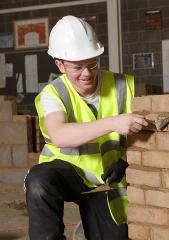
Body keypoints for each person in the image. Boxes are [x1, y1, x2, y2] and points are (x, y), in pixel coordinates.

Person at [24, 15, 148, 240]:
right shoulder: (52, 94)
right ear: (60, 64)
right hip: (66, 173)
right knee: (38, 181)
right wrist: (113, 122)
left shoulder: (124, 85)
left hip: (107, 179)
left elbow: (146, 138)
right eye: (77, 67)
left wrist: (126, 160)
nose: (87, 73)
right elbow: (59, 135)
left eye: (92, 64)